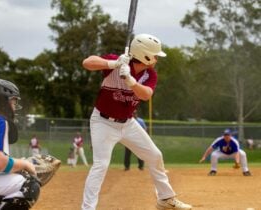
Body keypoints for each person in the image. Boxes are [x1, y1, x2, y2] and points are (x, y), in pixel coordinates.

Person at [81, 34, 192, 210]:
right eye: (155, 56)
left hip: (128, 124)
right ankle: (88, 208)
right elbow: (87, 62)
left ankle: (165, 199)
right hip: (103, 122)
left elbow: (146, 95)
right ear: (145, 56)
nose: (156, 59)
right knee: (100, 165)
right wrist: (113, 64)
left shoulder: (150, 74)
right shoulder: (117, 62)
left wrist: (131, 81)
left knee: (155, 156)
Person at [0, 78, 41, 209]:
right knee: (27, 184)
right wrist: (24, 164)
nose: (14, 107)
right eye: (13, 102)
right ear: (3, 101)